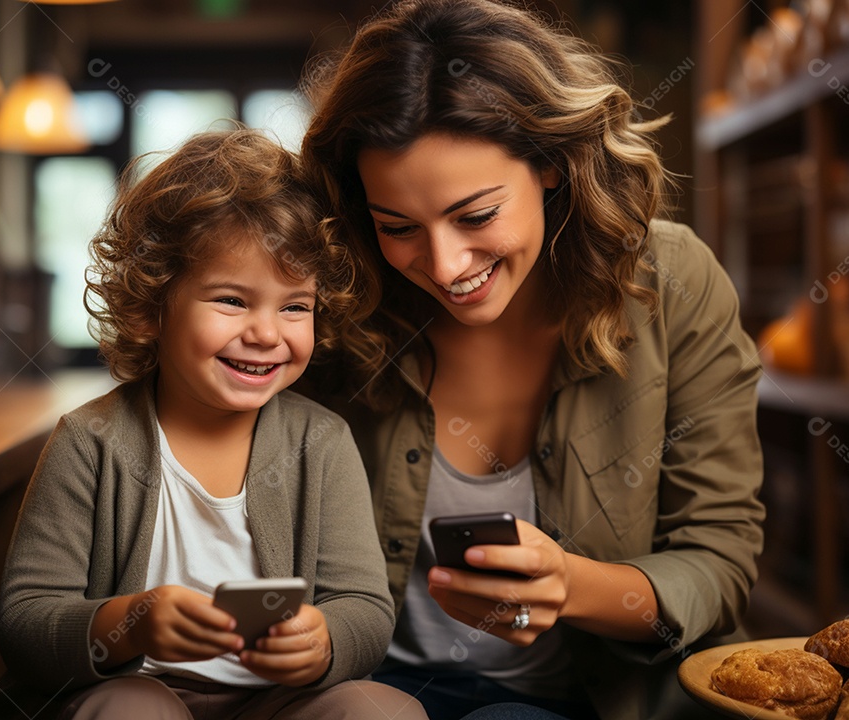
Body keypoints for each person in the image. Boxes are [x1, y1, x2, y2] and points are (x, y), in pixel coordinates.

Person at [300, 1, 766, 719]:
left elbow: (719, 556)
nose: (446, 265)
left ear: (552, 165)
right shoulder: (338, 296)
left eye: (476, 216)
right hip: (373, 692)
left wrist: (570, 586)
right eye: (398, 227)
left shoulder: (671, 283)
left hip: (586, 698)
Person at [0, 129, 428, 720]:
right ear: (149, 308)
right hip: (137, 690)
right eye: (231, 300)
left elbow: (365, 607)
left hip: (278, 702)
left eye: (294, 305)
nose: (267, 334)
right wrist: (131, 625)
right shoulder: (90, 440)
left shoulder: (320, 441)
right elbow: (25, 620)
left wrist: (324, 641)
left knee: (384, 712)